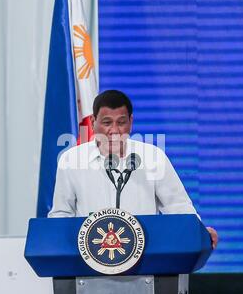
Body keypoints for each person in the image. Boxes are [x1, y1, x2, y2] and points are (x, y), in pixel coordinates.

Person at [48, 90, 218, 249]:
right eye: (107, 122)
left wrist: (199, 233)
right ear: (93, 122)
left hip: (146, 257)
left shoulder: (153, 158)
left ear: (131, 122)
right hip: (88, 258)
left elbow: (178, 207)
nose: (114, 130)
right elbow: (62, 213)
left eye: (121, 122)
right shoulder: (71, 160)